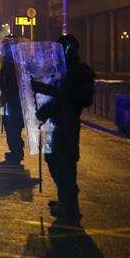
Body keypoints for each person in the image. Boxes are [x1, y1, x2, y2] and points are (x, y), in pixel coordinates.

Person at [31, 34, 96, 222]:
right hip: (56, 123)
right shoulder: (59, 71)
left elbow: (79, 99)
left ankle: (69, 205)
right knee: (53, 161)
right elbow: (55, 95)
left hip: (67, 124)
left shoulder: (78, 72)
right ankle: (65, 199)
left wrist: (57, 97)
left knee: (65, 165)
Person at [0, 35, 24, 164]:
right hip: (10, 101)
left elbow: (6, 83)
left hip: (12, 102)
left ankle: (16, 152)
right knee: (12, 128)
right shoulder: (13, 64)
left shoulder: (12, 65)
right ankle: (15, 150)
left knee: (12, 128)